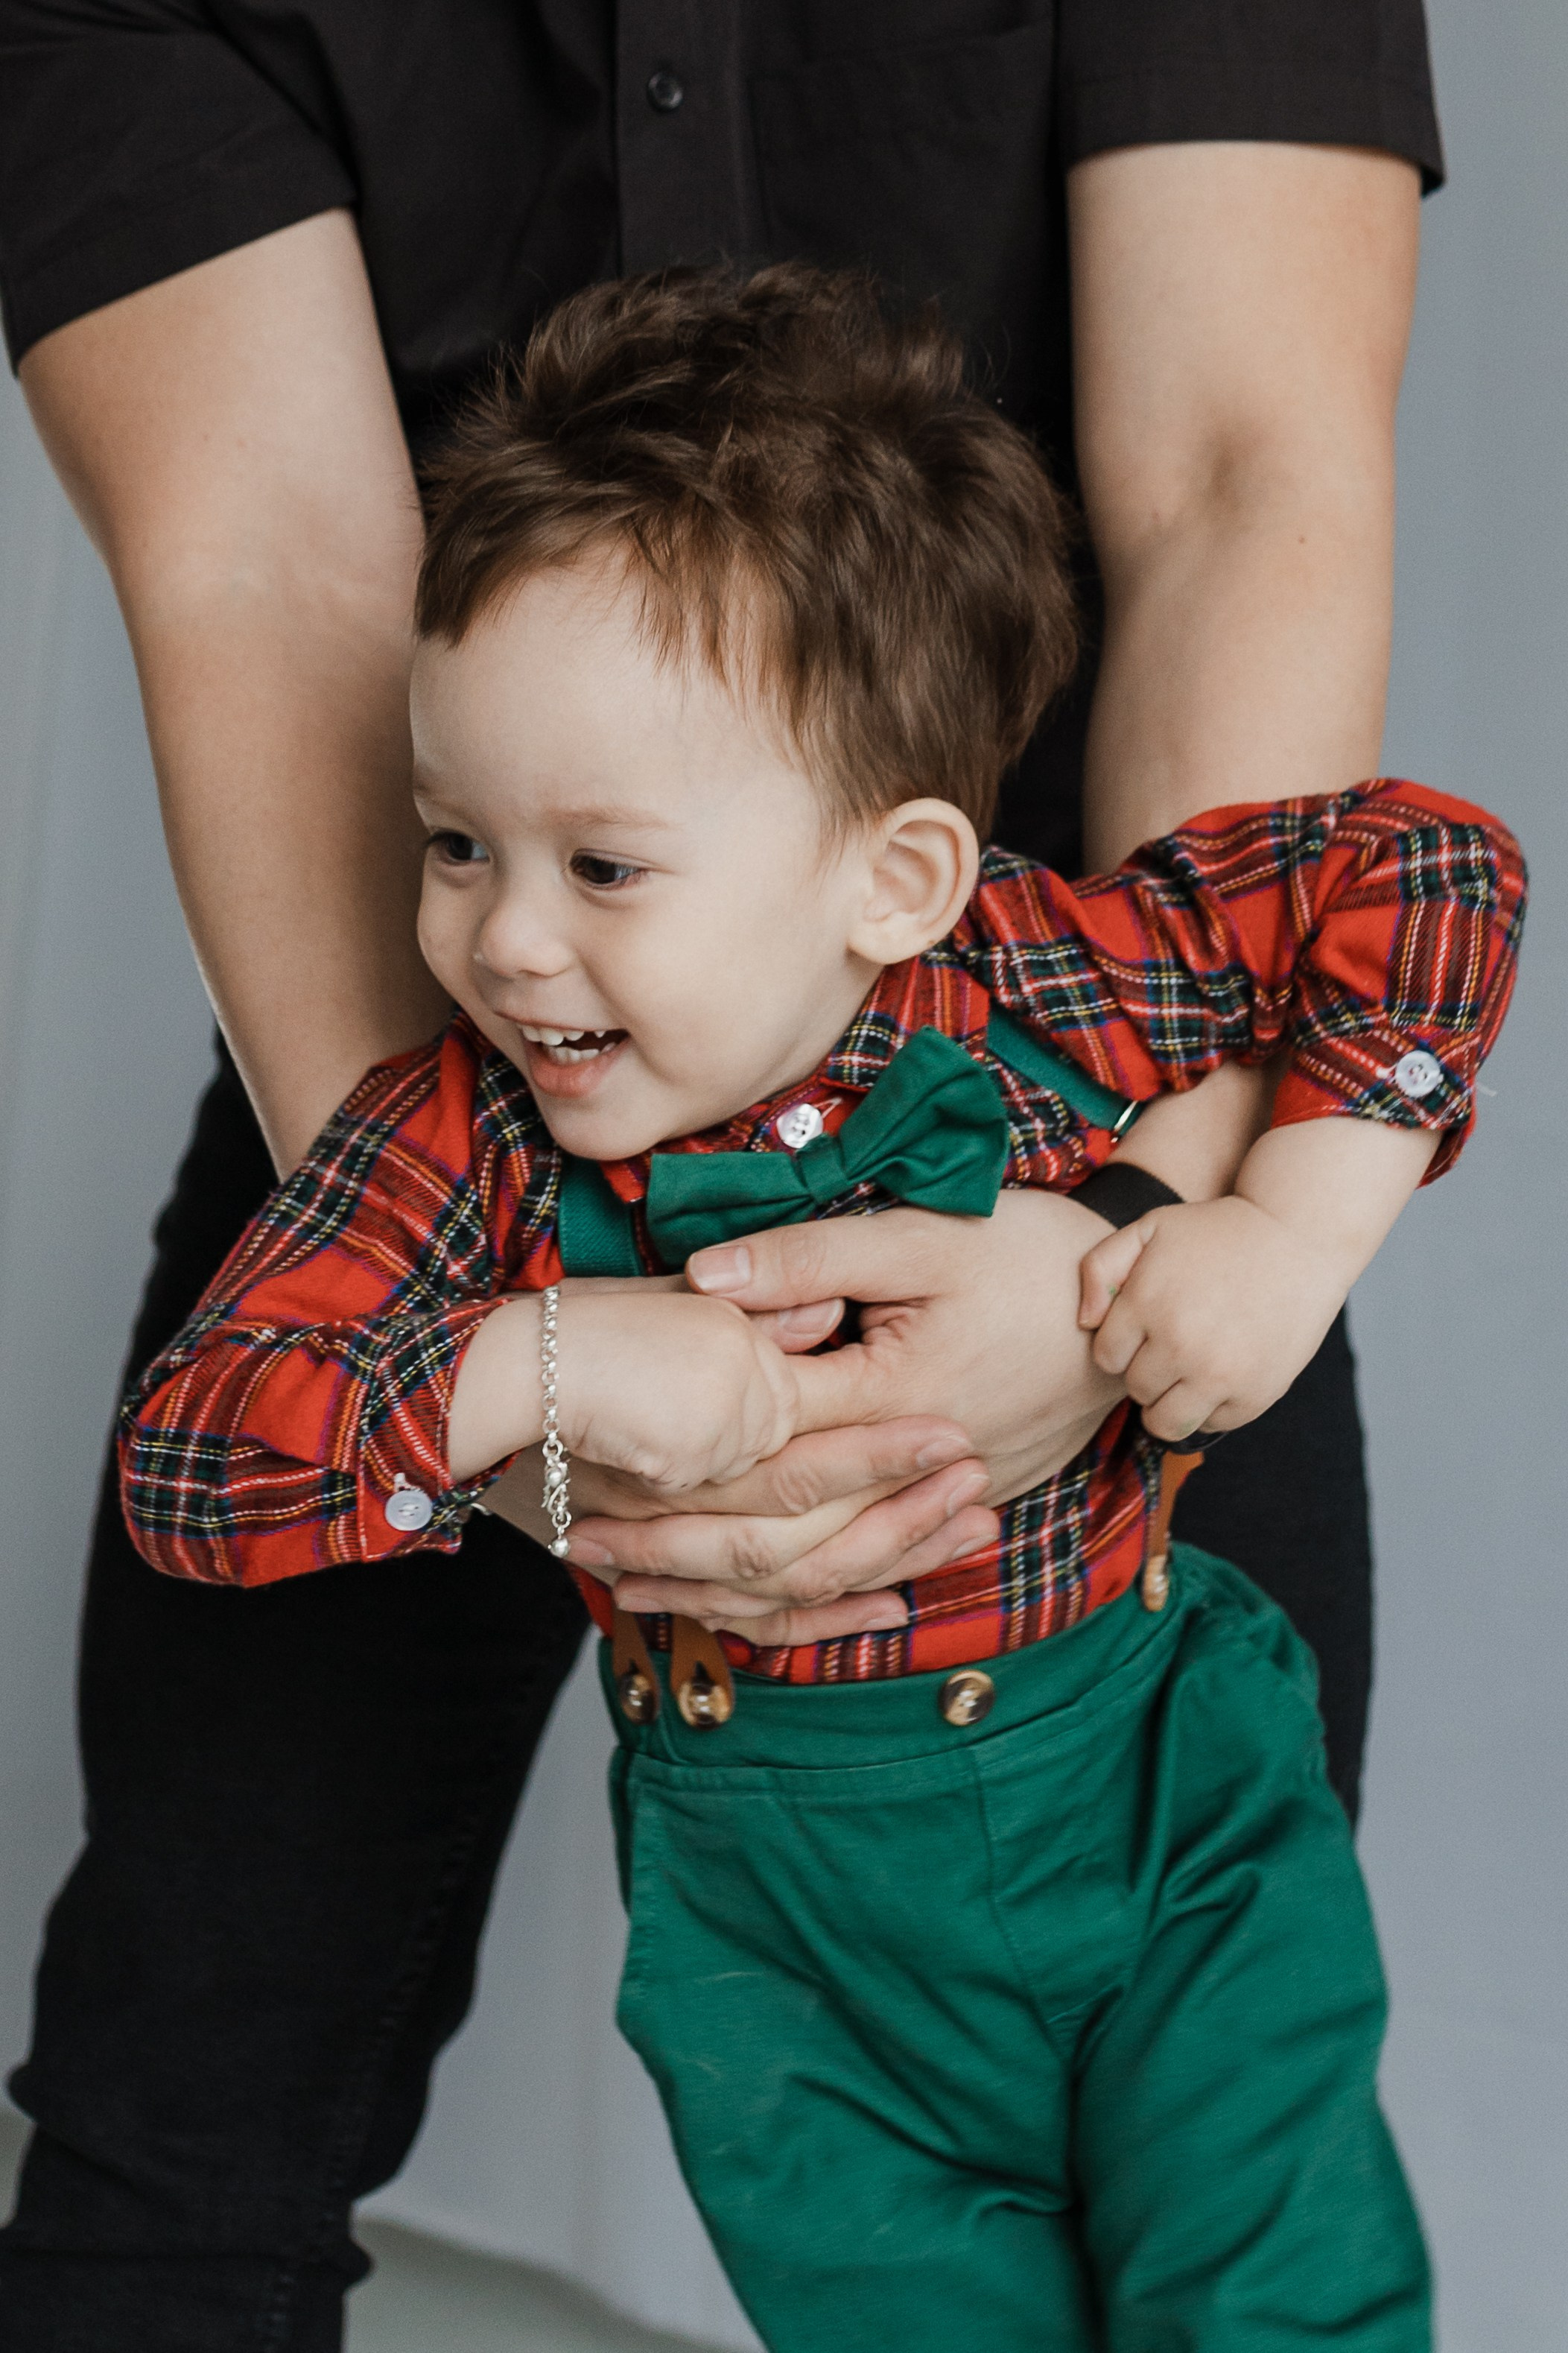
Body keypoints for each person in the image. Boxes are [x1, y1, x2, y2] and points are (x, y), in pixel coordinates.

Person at [0, 3, 1443, 2343]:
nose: (530, 904)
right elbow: (268, 570)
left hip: (1084, 1095)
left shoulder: (1057, 988)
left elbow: (1244, 476)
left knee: (1216, 2225)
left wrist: (1148, 1241)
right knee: (184, 2122)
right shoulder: (497, 993)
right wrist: (499, 1308)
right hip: (440, 1074)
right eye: (486, 841)